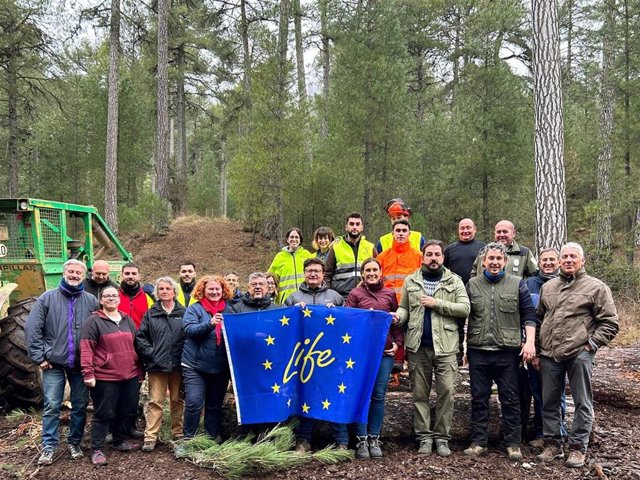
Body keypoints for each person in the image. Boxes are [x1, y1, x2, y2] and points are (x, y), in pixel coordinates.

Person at [535, 242, 619, 468]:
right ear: (560, 261)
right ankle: (553, 444)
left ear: (583, 261)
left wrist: (590, 346)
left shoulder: (596, 287)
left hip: (579, 353)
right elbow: (539, 318)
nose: (568, 260)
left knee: (583, 402)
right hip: (550, 353)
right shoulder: (549, 287)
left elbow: (610, 323)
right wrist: (536, 348)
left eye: (573, 256)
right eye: (565, 257)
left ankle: (578, 447)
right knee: (549, 401)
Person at [464, 242, 537, 461]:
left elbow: (529, 315)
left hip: (507, 350)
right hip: (478, 350)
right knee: (479, 397)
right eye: (491, 258)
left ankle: (513, 443)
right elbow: (464, 317)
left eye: (499, 259)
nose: (494, 262)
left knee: (510, 397)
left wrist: (530, 342)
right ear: (484, 261)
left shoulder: (517, 284)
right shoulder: (472, 284)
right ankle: (478, 442)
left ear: (505, 261)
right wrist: (464, 348)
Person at [396, 241, 470, 457]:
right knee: (420, 394)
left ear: (443, 257)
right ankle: (424, 438)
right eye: (429, 254)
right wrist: (398, 317)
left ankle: (442, 438)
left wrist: (437, 303)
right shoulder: (411, 280)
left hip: (446, 347)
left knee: (446, 392)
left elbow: (465, 308)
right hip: (418, 347)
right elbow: (404, 307)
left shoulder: (454, 281)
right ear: (423, 257)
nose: (433, 258)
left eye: (437, 254)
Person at [25, 259, 99, 466]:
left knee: (80, 405)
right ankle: (49, 446)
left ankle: (74, 442)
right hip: (54, 363)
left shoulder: (91, 301)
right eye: (71, 271)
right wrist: (39, 357)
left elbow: (98, 330)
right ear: (64, 273)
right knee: (51, 405)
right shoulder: (47, 298)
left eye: (78, 272)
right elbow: (32, 328)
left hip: (80, 364)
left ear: (83, 276)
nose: (74, 275)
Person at [284, 258, 346, 451]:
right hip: (304, 357)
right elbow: (283, 326)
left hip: (330, 356)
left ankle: (341, 441)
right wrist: (293, 313)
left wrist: (336, 313)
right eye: (309, 270)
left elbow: (346, 324)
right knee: (305, 396)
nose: (313, 274)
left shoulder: (334, 296)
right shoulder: (292, 297)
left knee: (334, 394)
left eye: (317, 271)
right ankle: (303, 441)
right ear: (304, 273)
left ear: (322, 274)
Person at [80, 286, 143, 466]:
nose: (111, 298)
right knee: (104, 413)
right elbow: (86, 348)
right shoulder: (94, 321)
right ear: (101, 300)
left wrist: (139, 370)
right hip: (105, 376)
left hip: (129, 375)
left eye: (114, 296)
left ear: (119, 299)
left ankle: (119, 441)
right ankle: (97, 449)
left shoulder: (127, 319)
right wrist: (88, 373)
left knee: (126, 410)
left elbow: (135, 346)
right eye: (107, 296)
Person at [346, 258, 401, 459]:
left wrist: (397, 344)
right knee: (363, 395)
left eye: (374, 270)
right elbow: (347, 322)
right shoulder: (355, 294)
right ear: (362, 274)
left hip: (384, 353)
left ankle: (374, 437)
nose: (371, 273)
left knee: (378, 395)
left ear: (380, 272)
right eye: (367, 270)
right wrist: (363, 316)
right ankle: (361, 439)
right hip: (361, 354)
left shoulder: (389, 293)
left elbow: (396, 322)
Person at [135, 277, 186, 452]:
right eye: (161, 289)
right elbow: (141, 337)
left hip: (178, 364)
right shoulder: (151, 313)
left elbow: (189, 336)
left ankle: (177, 433)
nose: (164, 291)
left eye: (167, 288)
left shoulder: (183, 312)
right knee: (155, 401)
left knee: (176, 400)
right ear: (157, 292)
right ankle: (150, 437)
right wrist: (151, 354)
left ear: (174, 292)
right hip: (157, 365)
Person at [181, 275, 234, 441]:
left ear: (223, 291)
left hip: (220, 367)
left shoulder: (230, 310)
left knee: (214, 405)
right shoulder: (194, 309)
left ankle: (211, 438)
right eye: (210, 289)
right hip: (195, 366)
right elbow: (189, 330)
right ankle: (189, 439)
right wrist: (210, 323)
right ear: (202, 291)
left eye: (217, 289)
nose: (214, 292)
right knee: (194, 402)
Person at [522, 247, 565, 445]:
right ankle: (540, 433)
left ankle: (558, 434)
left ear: (558, 262)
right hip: (534, 348)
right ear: (538, 262)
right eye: (544, 260)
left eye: (551, 260)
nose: (547, 263)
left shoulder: (566, 284)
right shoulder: (528, 283)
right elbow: (529, 317)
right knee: (537, 392)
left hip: (560, 350)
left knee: (556, 394)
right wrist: (533, 349)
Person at [376, 219, 421, 385]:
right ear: (392, 233)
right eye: (398, 230)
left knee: (412, 339)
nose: (401, 233)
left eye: (404, 230)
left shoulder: (418, 256)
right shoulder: (382, 256)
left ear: (409, 233)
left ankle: (413, 374)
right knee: (390, 339)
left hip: (411, 305)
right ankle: (392, 374)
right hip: (388, 306)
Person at [443, 218, 485, 366]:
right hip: (456, 293)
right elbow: (443, 270)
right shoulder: (450, 249)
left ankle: (474, 356)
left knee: (477, 325)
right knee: (457, 326)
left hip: (478, 292)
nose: (465, 231)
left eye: (468, 228)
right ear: (458, 230)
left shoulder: (483, 248)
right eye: (462, 228)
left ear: (475, 229)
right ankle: (458, 356)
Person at [325, 212, 375, 298]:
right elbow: (326, 274)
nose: (354, 227)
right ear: (346, 227)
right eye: (351, 224)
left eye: (357, 224)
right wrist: (330, 295)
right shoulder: (336, 247)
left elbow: (378, 273)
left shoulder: (370, 247)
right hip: (341, 297)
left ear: (362, 227)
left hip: (365, 296)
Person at [471, 220, 537, 278]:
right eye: (498, 232)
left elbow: (534, 275)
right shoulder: (483, 251)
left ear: (513, 233)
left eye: (505, 232)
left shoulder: (524, 253)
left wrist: (523, 288)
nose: (501, 235)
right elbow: (474, 273)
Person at [267, 227, 314, 304]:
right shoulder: (280, 256)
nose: (294, 239)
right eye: (291, 237)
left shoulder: (307, 255)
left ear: (300, 240)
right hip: (286, 299)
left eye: (296, 237)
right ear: (287, 240)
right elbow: (270, 276)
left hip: (305, 297)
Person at [118, 262, 154, 329]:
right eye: (127, 273)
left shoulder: (148, 297)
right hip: (121, 337)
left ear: (139, 276)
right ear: (121, 276)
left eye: (134, 274)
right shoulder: (115, 297)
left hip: (142, 338)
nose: (130, 276)